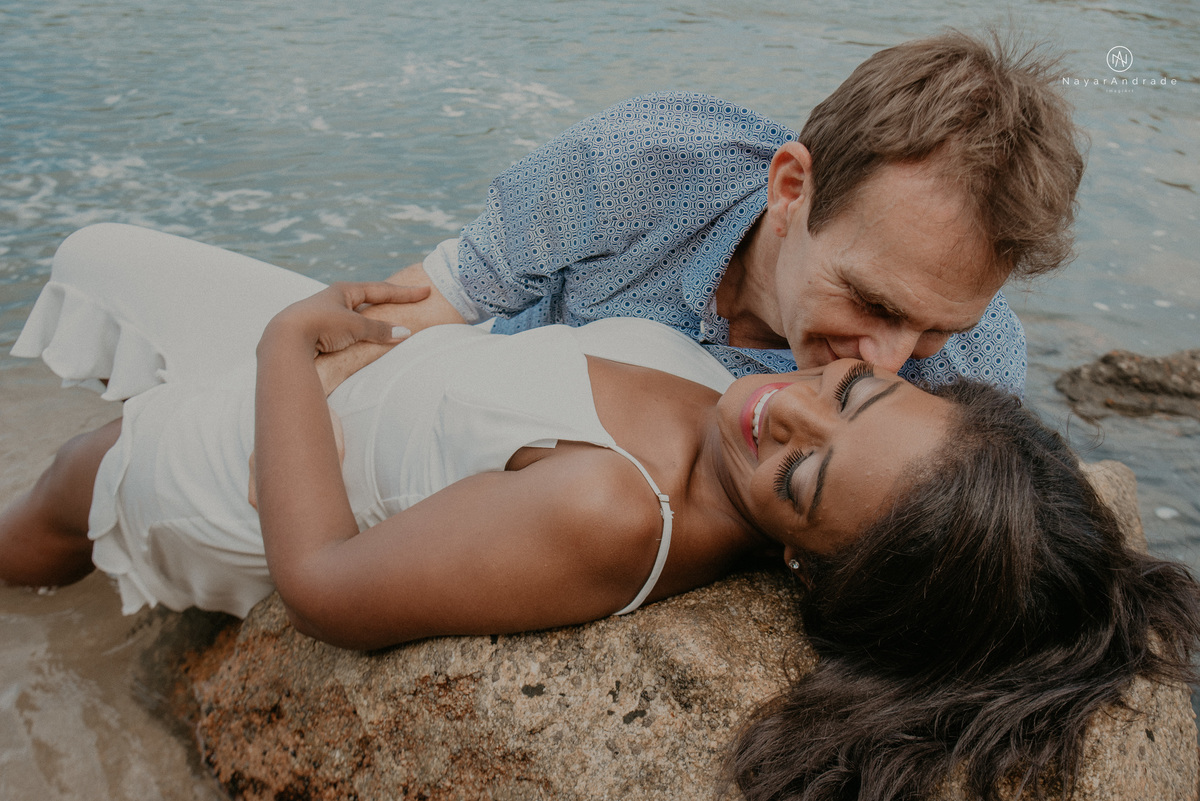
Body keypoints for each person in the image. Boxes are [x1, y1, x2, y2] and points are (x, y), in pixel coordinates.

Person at [3, 230, 1200, 800]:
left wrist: (284, 350)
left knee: (62, 494)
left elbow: (322, 586)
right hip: (349, 388)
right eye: (851, 389)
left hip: (254, 463)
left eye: (803, 476)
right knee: (107, 260)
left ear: (809, 569)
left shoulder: (609, 511)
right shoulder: (742, 392)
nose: (783, 410)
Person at [317, 28, 1085, 397]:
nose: (887, 360)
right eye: (873, 301)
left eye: (935, 326)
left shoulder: (974, 371)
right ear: (791, 189)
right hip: (492, 396)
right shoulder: (638, 164)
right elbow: (442, 299)